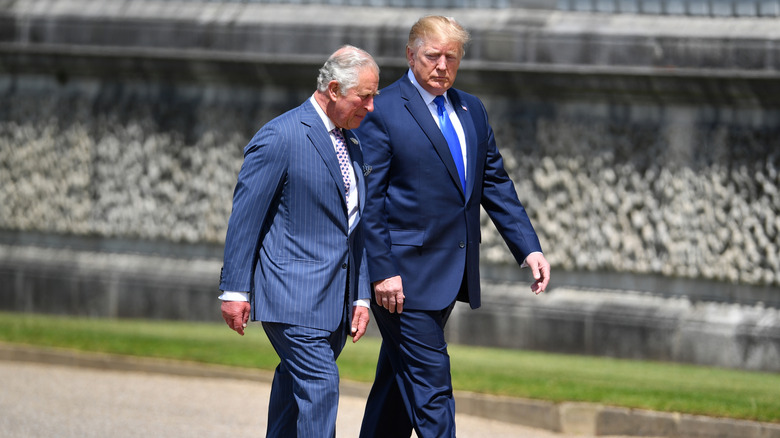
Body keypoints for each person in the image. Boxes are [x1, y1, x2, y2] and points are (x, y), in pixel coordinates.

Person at [354, 16, 551, 438]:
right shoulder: (383, 109)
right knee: (432, 391)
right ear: (410, 55)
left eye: (452, 57)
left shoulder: (472, 109)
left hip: (451, 272)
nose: (442, 65)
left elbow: (494, 182)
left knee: (396, 385)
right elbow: (369, 201)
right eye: (432, 56)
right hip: (402, 281)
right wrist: (383, 269)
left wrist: (528, 248)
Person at [217, 45, 379, 438]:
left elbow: (354, 225)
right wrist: (234, 289)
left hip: (334, 301)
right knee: (321, 386)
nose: (372, 107)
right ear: (335, 89)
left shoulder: (352, 142)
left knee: (294, 393)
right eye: (365, 96)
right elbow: (246, 218)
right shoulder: (280, 136)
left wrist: (359, 296)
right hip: (291, 298)